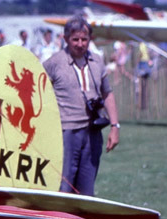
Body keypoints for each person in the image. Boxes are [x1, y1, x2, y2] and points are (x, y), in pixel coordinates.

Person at [42, 15, 119, 196]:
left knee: (86, 191)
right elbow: (36, 89)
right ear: (66, 39)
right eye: (75, 39)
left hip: (92, 133)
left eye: (84, 39)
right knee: (63, 188)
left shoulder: (97, 61)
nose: (80, 44)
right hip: (66, 133)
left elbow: (107, 93)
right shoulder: (54, 63)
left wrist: (115, 126)